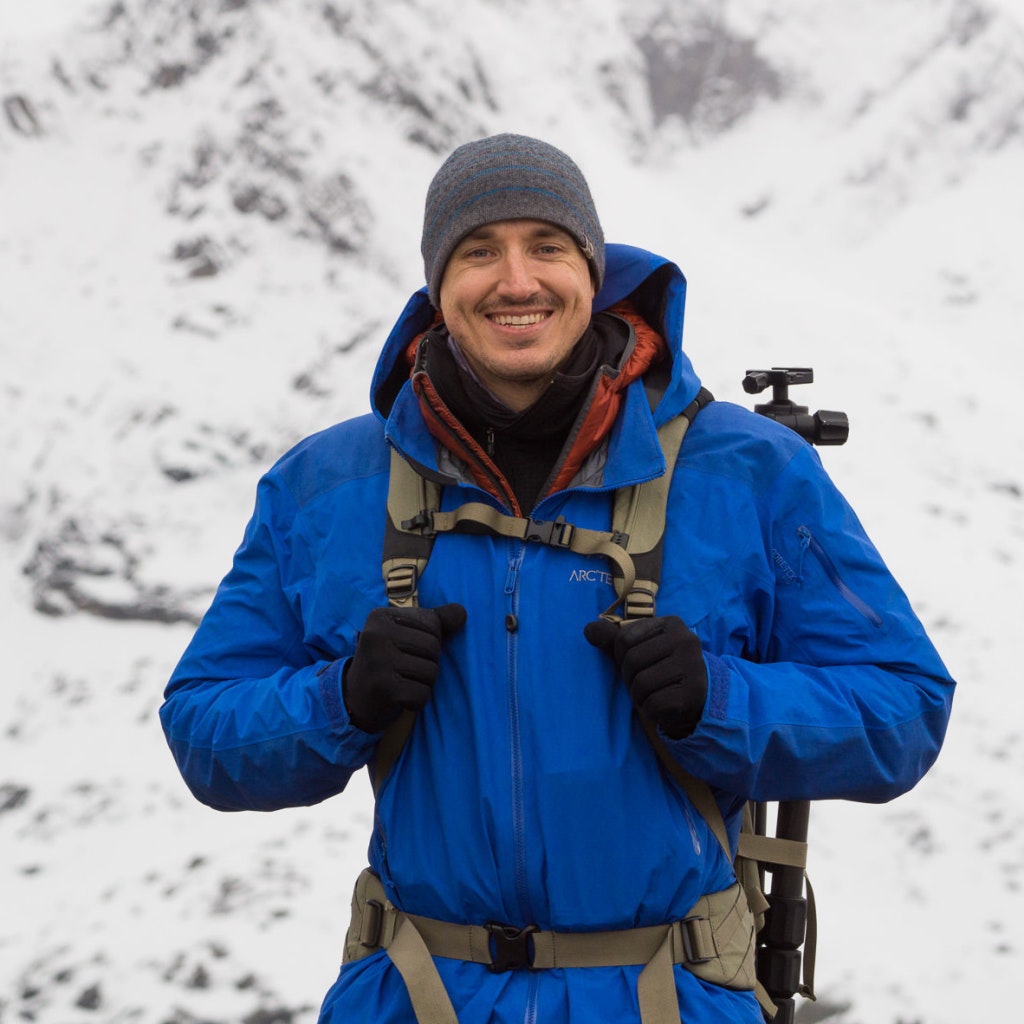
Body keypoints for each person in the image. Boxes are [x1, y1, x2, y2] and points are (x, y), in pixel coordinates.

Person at [160, 134, 955, 1024]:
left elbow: (905, 708)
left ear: (591, 269)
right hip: (415, 994)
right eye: (477, 251)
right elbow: (202, 729)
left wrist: (718, 701)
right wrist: (340, 698)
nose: (516, 281)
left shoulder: (749, 471)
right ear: (436, 285)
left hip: (670, 997)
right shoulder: (326, 486)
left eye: (546, 245)